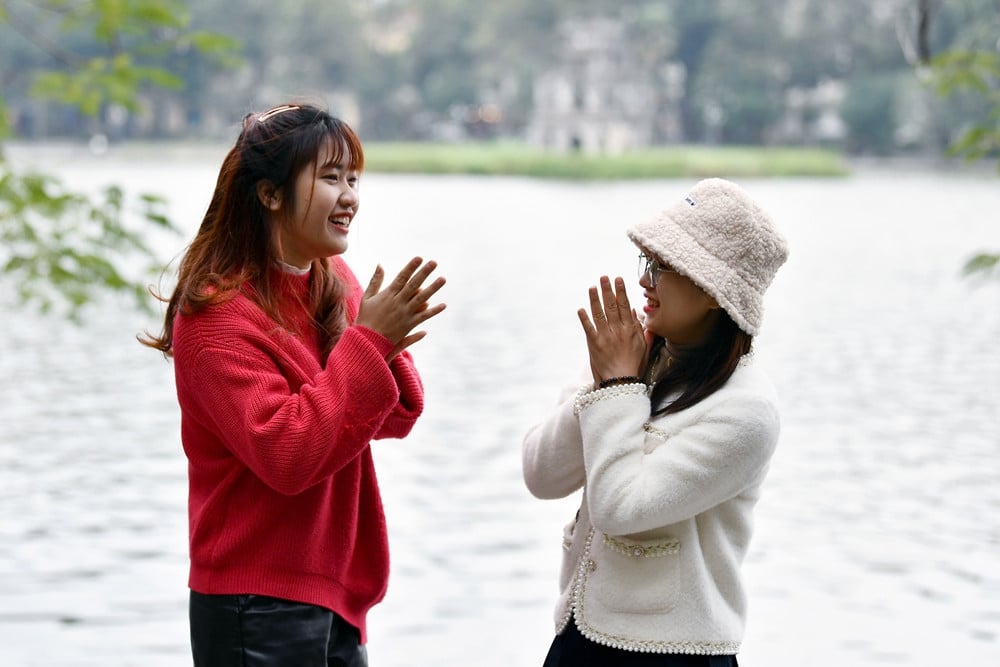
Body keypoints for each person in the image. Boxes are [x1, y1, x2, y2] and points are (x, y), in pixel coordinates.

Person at [141, 103, 446, 666]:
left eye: (353, 178)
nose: (350, 195)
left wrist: (377, 334)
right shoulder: (216, 316)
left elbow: (401, 412)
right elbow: (289, 453)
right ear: (270, 194)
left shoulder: (331, 279)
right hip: (252, 603)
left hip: (334, 590)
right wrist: (371, 341)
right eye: (330, 177)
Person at [522, 178, 789, 666]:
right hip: (579, 637)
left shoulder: (748, 410)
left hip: (675, 653)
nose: (645, 281)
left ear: (714, 292)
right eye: (647, 263)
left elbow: (620, 509)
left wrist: (617, 388)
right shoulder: (632, 353)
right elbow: (540, 474)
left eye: (662, 267)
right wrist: (606, 381)